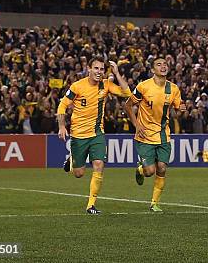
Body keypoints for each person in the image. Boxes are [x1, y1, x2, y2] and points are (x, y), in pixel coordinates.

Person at [57, 57, 131, 215]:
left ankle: (90, 205)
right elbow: (62, 105)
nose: (99, 72)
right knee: (79, 173)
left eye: (102, 69)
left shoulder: (106, 85)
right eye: (96, 68)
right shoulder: (77, 86)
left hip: (97, 133)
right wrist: (62, 126)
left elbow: (127, 92)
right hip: (78, 135)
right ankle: (72, 160)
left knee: (99, 164)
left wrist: (117, 73)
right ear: (88, 69)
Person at [124, 58, 185, 212]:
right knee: (149, 172)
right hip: (145, 135)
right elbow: (128, 105)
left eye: (165, 64)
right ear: (152, 70)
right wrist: (137, 126)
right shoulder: (143, 87)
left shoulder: (174, 89)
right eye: (159, 64)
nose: (163, 66)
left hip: (163, 135)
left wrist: (182, 110)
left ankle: (154, 203)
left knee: (162, 168)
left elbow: (178, 114)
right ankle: (140, 170)